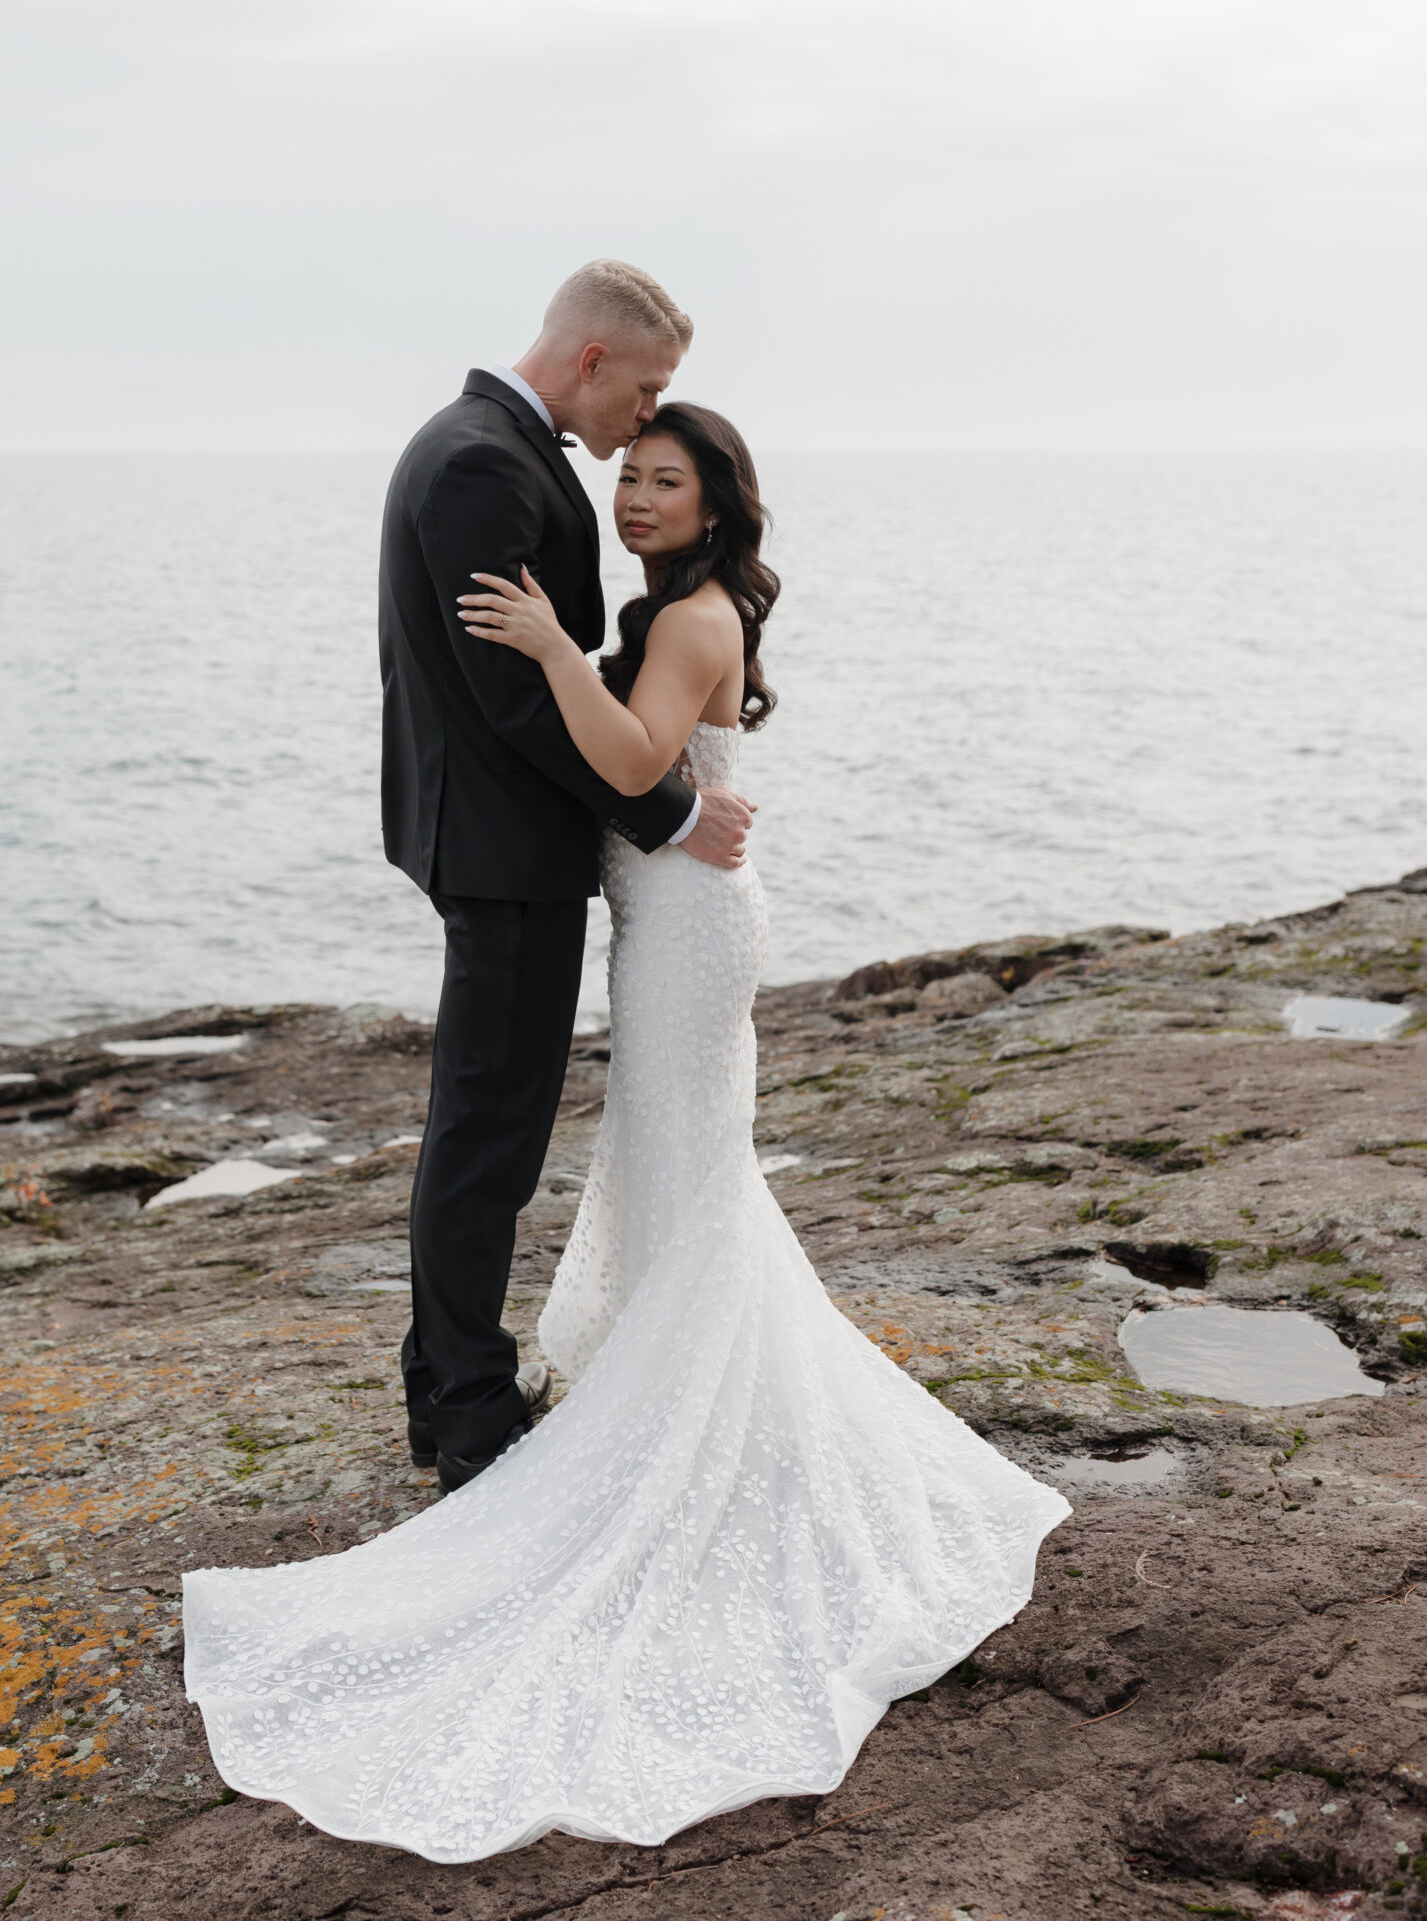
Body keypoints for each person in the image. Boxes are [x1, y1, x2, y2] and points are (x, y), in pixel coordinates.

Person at [182, 383, 1070, 1863]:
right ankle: (672, 1379)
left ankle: (691, 1412)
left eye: (663, 482)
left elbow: (625, 764)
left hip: (684, 928)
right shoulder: (678, 607)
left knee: (688, 1167)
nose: (636, 498)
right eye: (632, 477)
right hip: (671, 920)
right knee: (676, 1165)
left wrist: (542, 648)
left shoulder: (686, 619)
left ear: (715, 506)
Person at [373, 259, 755, 1490]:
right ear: (593, 361)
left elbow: (549, 686)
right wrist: (670, 807)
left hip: (499, 844)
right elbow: (517, 703)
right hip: (502, 850)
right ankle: (470, 1409)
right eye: (642, 391)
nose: (641, 419)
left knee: (484, 1123)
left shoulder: (478, 442)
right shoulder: (486, 459)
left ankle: (447, 1381)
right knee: (489, 1132)